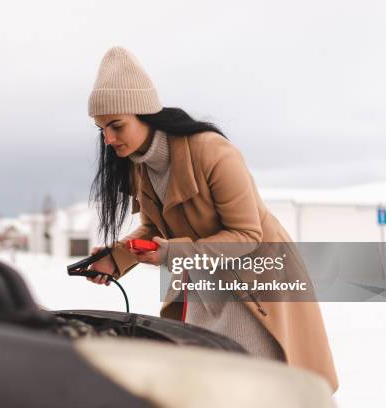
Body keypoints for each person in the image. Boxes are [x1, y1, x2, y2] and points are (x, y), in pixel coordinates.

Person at [84, 46, 338, 392]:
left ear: (145, 114)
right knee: (210, 386)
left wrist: (171, 253)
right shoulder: (140, 167)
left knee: (251, 388)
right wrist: (114, 259)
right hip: (205, 286)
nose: (109, 139)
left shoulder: (211, 151)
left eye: (116, 126)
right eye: (102, 129)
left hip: (254, 288)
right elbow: (156, 230)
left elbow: (248, 235)